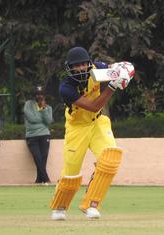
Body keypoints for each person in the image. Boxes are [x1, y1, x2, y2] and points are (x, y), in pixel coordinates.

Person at [49, 47, 134, 220]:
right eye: (76, 66)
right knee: (70, 173)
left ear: (89, 63)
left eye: (83, 64)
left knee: (110, 158)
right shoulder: (66, 87)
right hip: (77, 128)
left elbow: (119, 69)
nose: (80, 68)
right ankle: (60, 207)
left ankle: (91, 205)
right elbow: (95, 105)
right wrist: (112, 86)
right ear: (70, 68)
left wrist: (125, 70)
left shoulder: (98, 69)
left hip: (97, 123)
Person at [24, 85, 53, 184]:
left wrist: (43, 109)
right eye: (37, 94)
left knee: (43, 157)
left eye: (41, 94)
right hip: (32, 136)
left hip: (45, 135)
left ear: (44, 96)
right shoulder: (28, 104)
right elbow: (32, 119)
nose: (39, 96)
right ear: (34, 95)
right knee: (37, 157)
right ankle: (46, 179)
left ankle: (39, 179)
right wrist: (41, 119)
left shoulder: (48, 108)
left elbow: (48, 121)